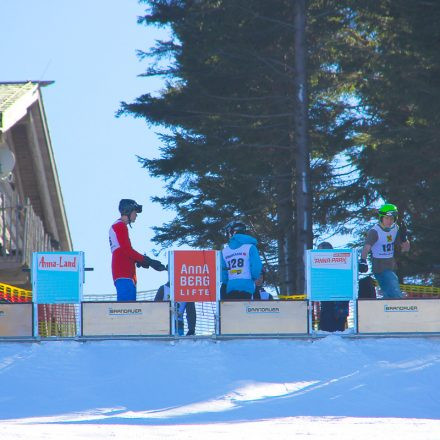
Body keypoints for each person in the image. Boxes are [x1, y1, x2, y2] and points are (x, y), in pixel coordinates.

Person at [109, 199, 166, 301]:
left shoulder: (118, 225)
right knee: (127, 311)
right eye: (135, 212)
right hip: (124, 274)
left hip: (125, 274)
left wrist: (139, 260)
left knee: (129, 310)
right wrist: (147, 260)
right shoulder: (120, 225)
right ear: (128, 211)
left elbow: (124, 251)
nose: (136, 215)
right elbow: (127, 250)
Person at [359, 203, 410, 299]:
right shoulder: (375, 231)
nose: (389, 221)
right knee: (395, 292)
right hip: (380, 266)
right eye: (386, 218)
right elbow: (367, 246)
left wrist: (404, 238)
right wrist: (363, 260)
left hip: (391, 266)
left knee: (389, 294)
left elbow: (406, 249)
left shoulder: (395, 228)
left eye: (391, 218)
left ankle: (384, 311)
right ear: (381, 218)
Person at [221, 220, 263, 300]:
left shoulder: (225, 251)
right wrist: (254, 277)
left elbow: (223, 272)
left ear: (232, 233)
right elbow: (256, 266)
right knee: (244, 310)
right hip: (246, 285)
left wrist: (227, 281)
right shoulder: (250, 247)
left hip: (231, 286)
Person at [316, 241, 349, 332]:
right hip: (331, 306)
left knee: (332, 332)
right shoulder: (321, 266)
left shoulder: (339, 264)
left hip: (336, 306)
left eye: (319, 252)